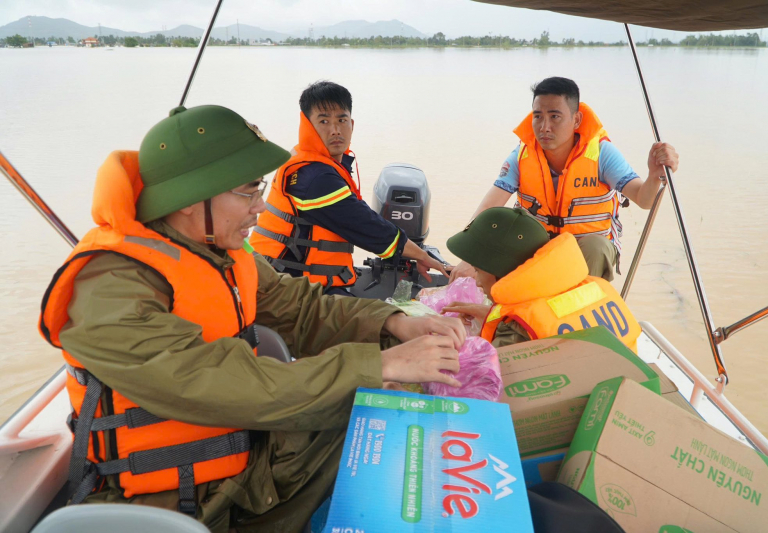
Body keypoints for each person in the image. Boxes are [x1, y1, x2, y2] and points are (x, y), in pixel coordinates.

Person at [39, 104, 466, 533]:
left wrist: (392, 322)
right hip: (176, 504)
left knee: (388, 409)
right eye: (247, 192)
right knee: (376, 392)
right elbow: (220, 382)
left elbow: (300, 307)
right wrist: (380, 365)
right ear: (191, 199)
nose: (261, 207)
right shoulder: (110, 289)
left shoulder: (219, 250)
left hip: (244, 461)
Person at [450, 76, 679, 282]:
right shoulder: (522, 156)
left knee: (595, 244)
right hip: (537, 248)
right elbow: (490, 206)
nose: (544, 127)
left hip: (587, 252)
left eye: (555, 117)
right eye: (537, 116)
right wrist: (470, 258)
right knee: (502, 239)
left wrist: (653, 174)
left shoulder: (602, 154)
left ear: (576, 120)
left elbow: (643, 199)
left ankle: (582, 316)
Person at [249, 81, 449, 296]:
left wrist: (412, 253)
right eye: (324, 121)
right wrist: (422, 256)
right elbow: (366, 227)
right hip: (282, 289)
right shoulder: (314, 177)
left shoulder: (314, 161)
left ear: (351, 124)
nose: (335, 130)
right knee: (385, 322)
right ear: (307, 125)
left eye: (341, 120)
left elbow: (357, 215)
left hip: (297, 283)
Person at [442, 207, 641, 352]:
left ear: (499, 272)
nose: (476, 282)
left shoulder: (518, 331)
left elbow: (484, 382)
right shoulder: (597, 288)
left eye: (478, 271)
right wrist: (491, 315)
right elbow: (553, 316)